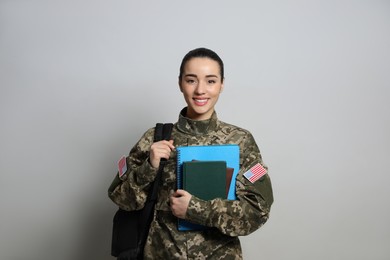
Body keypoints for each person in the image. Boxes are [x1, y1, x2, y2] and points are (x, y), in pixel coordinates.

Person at [108, 47, 273, 259]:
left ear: (222, 84)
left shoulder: (241, 141)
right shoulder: (155, 137)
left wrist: (195, 209)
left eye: (211, 81)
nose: (200, 90)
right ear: (180, 83)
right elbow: (120, 199)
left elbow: (257, 211)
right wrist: (149, 167)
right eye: (191, 80)